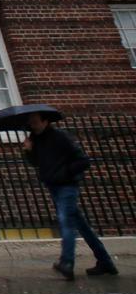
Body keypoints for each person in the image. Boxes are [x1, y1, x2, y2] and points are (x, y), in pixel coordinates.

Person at [23, 112, 118, 280]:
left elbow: (83, 161)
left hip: (67, 186)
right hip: (53, 186)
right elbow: (36, 163)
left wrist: (64, 173)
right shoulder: (36, 140)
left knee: (65, 221)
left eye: (35, 122)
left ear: (45, 121)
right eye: (31, 123)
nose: (33, 125)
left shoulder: (61, 137)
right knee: (82, 227)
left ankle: (66, 262)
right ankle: (106, 262)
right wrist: (28, 151)